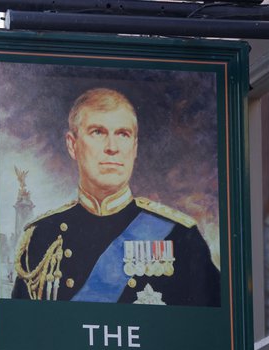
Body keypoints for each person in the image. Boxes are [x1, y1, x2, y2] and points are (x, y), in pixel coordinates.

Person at [12, 88, 220, 306]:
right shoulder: (42, 236)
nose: (112, 148)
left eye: (123, 134)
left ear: (135, 147)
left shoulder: (179, 235)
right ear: (72, 145)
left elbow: (211, 331)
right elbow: (21, 331)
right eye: (98, 132)